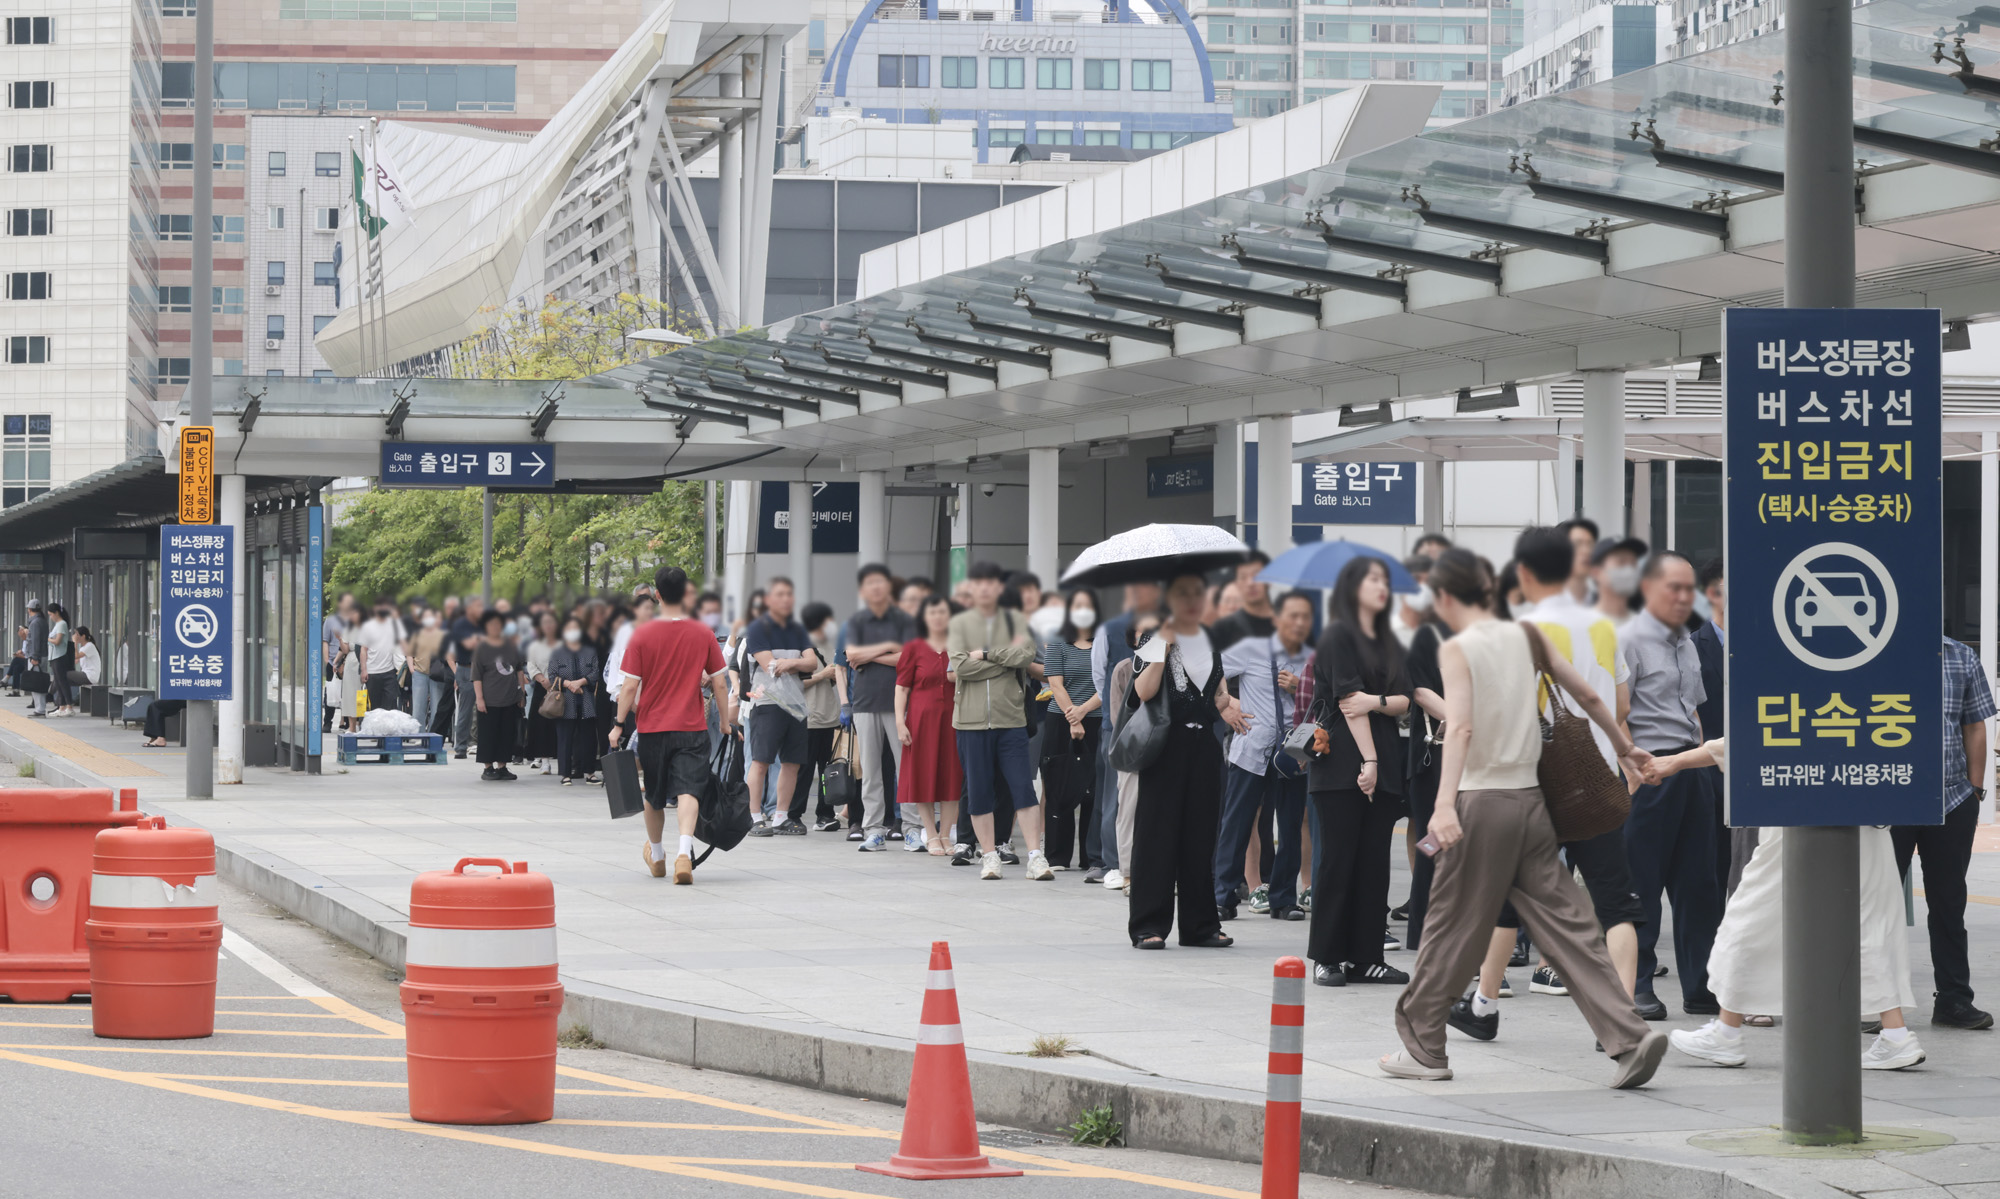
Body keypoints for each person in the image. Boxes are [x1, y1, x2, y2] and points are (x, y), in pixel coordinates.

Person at [1382, 548, 1665, 1088]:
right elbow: (1584, 694)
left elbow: (1460, 728)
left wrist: (1443, 805)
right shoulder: (1527, 637)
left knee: (1447, 925)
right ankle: (1629, 1037)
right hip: (1533, 804)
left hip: (1481, 803)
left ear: (1444, 597)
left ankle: (1423, 1049)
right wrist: (1624, 749)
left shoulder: (1460, 647)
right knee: (1573, 927)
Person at [1462, 526, 1651, 1036]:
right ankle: (1623, 1014)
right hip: (1594, 777)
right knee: (1616, 901)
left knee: (1506, 896)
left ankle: (1483, 1004)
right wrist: (1623, 750)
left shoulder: (1517, 626)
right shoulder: (1604, 626)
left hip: (1536, 780)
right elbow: (1618, 703)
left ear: (1523, 572)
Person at [1653, 739, 1925, 1070]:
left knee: (1748, 920)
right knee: (1868, 926)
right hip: (1866, 815)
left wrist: (1674, 762)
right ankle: (1896, 1036)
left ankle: (1726, 1032)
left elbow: (1747, 737)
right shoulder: (1871, 694)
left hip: (1798, 814)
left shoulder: (1801, 692)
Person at [1127, 572, 1253, 949]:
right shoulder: (1153, 635)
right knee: (1157, 836)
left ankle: (1200, 926)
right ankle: (1148, 925)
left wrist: (1227, 704)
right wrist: (1162, 648)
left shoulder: (1210, 639)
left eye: (1198, 594)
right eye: (1184, 594)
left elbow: (1216, 691)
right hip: (1166, 745)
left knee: (1200, 836)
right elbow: (1143, 691)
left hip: (1204, 745)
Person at [1622, 550, 1723, 1017]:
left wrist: (1696, 761)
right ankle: (1638, 985)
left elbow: (1695, 710)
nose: (1685, 597)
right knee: (1641, 882)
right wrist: (1632, 771)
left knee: (1699, 884)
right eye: (1673, 588)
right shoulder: (1628, 638)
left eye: (1689, 589)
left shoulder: (1685, 641)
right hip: (1646, 771)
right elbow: (1616, 714)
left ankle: (1701, 986)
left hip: (1689, 770)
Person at [1307, 556, 1412, 987]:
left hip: (1385, 760)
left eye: (1384, 580)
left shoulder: (1390, 640)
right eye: (1372, 580)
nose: (1381, 587)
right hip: (1342, 762)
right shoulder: (1337, 636)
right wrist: (1367, 760)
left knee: (1374, 865)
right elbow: (1350, 705)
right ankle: (1327, 957)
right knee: (1337, 861)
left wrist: (1378, 702)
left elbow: (1406, 699)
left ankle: (1368, 956)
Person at [1891, 636, 1997, 1030]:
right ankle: (1872, 1002)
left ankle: (1953, 1000)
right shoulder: (1870, 650)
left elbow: (1974, 724)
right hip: (1890, 799)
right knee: (1877, 905)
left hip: (1950, 799)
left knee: (1949, 903)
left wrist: (1974, 790)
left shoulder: (1960, 655)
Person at [613, 566, 734, 884]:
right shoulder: (703, 633)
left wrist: (617, 723)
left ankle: (657, 854)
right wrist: (723, 722)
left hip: (652, 728)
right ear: (686, 593)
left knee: (653, 795)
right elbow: (720, 684)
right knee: (689, 790)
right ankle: (684, 852)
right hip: (692, 727)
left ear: (657, 594)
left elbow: (629, 686)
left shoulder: (642, 634)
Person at [948, 560, 1051, 880]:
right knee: (979, 790)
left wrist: (988, 654)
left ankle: (1036, 856)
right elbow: (961, 668)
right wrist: (1003, 660)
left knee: (1022, 788)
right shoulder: (960, 624)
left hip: (1011, 719)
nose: (985, 588)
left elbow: (1023, 656)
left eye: (991, 583)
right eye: (979, 583)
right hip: (970, 722)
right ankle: (989, 856)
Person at [1216, 591, 1315, 922]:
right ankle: (1224, 894)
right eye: (1292, 616)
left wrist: (1299, 685)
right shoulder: (1249, 648)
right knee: (1239, 822)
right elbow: (1212, 674)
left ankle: (1284, 898)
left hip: (1293, 751)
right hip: (1252, 747)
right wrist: (1228, 706)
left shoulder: (1311, 655)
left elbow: (1326, 697)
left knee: (1289, 824)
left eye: (1305, 617)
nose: (1298, 623)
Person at [843, 564, 919, 847]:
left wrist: (869, 655)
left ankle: (912, 826)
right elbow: (851, 654)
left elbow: (907, 659)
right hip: (864, 702)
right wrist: (887, 648)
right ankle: (873, 829)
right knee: (871, 771)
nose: (876, 588)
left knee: (906, 769)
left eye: (880, 583)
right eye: (870, 583)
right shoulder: (858, 621)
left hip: (899, 702)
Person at [1091, 581, 1159, 889]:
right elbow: (1101, 680)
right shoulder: (1118, 653)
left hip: (1159, 741)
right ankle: (1118, 866)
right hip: (1124, 738)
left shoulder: (1165, 650)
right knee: (1120, 803)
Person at [762, 601, 841, 837]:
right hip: (807, 717)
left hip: (830, 716)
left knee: (828, 770)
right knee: (802, 771)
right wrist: (821, 675)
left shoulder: (830, 646)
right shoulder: (798, 647)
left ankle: (825, 815)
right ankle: (792, 814)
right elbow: (792, 683)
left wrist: (834, 675)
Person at [1040, 588, 1104, 871]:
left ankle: (1091, 857)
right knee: (1058, 787)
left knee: (1094, 789)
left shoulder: (1105, 641)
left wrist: (1084, 712)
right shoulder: (1057, 640)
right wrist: (1074, 719)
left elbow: (1108, 683)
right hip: (1061, 722)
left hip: (1098, 719)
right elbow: (1055, 684)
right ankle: (1057, 856)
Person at [896, 593, 961, 855]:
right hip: (921, 720)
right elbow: (901, 688)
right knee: (922, 775)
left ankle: (946, 834)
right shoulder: (913, 646)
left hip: (954, 719)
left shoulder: (959, 644)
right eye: (932, 612)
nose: (937, 617)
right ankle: (930, 834)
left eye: (942, 612)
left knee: (952, 776)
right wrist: (900, 722)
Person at [470, 610, 524, 782]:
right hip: (489, 699)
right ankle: (488, 767)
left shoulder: (511, 646)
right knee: (488, 734)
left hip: (509, 698)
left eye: (498, 624)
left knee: (506, 734)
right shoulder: (482, 648)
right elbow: (476, 675)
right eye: (491, 624)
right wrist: (479, 698)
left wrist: (521, 693)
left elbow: (519, 669)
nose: (495, 627)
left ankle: (502, 766)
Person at [547, 616, 600, 785]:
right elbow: (552, 676)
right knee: (564, 739)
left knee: (588, 738)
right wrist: (569, 684)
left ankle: (590, 772)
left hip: (586, 702)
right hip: (565, 703)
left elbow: (595, 673)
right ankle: (565, 774)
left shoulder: (589, 651)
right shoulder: (557, 652)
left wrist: (581, 682)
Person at [1208, 551, 1274, 654]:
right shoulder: (1223, 628)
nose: (1250, 583)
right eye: (1243, 577)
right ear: (1236, 583)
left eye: (1256, 576)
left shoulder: (1288, 623)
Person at [353, 597, 405, 723]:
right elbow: (363, 650)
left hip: (389, 671)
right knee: (376, 706)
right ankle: (377, 732)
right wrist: (364, 670)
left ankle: (388, 732)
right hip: (373, 671)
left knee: (390, 702)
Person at [524, 611, 562, 774]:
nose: (548, 626)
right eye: (544, 622)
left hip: (561, 687)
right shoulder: (535, 645)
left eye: (551, 622)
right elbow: (531, 665)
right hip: (542, 686)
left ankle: (565, 760)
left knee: (560, 726)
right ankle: (544, 762)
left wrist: (556, 682)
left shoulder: (563, 644)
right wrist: (542, 680)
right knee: (541, 725)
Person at [448, 597, 484, 757]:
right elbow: (469, 644)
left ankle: (481, 744)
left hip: (484, 670)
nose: (481, 609)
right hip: (466, 669)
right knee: (466, 710)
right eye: (478, 606)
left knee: (484, 708)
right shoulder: (461, 624)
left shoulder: (483, 623)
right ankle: (461, 747)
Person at [1590, 537, 1646, 630]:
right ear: (1596, 572)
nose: (1629, 570)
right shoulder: (1580, 626)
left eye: (1633, 564)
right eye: (1621, 562)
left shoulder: (1645, 628)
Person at [409, 608, 448, 735]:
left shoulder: (442, 635)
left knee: (436, 707)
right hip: (419, 672)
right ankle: (418, 734)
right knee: (418, 707)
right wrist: (412, 669)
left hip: (436, 674)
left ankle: (432, 735)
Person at [61, 626, 100, 715]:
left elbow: (76, 656)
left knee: (62, 675)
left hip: (90, 676)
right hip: (86, 675)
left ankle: (52, 697)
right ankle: (64, 707)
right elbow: (75, 659)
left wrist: (74, 642)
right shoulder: (83, 648)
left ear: (83, 636)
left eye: (77, 634)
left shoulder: (89, 646)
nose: (74, 636)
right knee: (63, 680)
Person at [1558, 519, 1598, 604]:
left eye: (1590, 544)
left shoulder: (1605, 602)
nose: (1586, 551)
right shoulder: (1543, 604)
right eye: (1577, 544)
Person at [43, 602, 71, 716]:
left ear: (57, 613)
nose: (51, 617)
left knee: (62, 682)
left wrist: (47, 639)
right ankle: (61, 706)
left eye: (51, 614)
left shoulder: (62, 624)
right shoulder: (57, 624)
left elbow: (58, 641)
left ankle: (69, 707)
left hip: (60, 656)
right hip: (54, 656)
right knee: (58, 683)